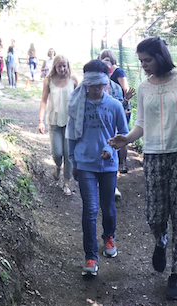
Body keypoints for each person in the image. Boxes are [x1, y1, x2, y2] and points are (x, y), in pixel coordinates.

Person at [108, 36, 177, 299]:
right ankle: (160, 241)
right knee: (155, 215)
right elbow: (141, 124)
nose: (143, 65)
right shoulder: (144, 88)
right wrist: (126, 138)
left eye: (148, 60)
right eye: (141, 60)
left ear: (161, 56)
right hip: (155, 156)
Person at [67, 59, 128, 276]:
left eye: (99, 84)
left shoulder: (114, 106)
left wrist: (111, 150)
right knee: (90, 209)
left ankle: (108, 236)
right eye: (91, 84)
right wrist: (73, 163)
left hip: (108, 165)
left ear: (105, 84)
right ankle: (90, 257)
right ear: (85, 84)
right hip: (85, 164)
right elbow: (71, 135)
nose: (95, 89)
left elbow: (123, 134)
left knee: (108, 207)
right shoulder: (77, 105)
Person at [38, 55, 79, 196]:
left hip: (70, 122)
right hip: (54, 121)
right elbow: (43, 100)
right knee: (57, 153)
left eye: (64, 66)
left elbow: (79, 101)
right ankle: (57, 166)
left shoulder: (73, 80)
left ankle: (66, 183)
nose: (62, 69)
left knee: (69, 154)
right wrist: (40, 120)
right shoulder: (48, 80)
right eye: (59, 66)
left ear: (68, 66)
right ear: (55, 66)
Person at [100, 58, 134, 201]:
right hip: (99, 126)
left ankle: (113, 185)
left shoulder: (115, 87)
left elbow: (121, 105)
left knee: (114, 147)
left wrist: (125, 102)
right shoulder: (95, 87)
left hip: (112, 125)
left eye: (107, 71)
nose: (106, 73)